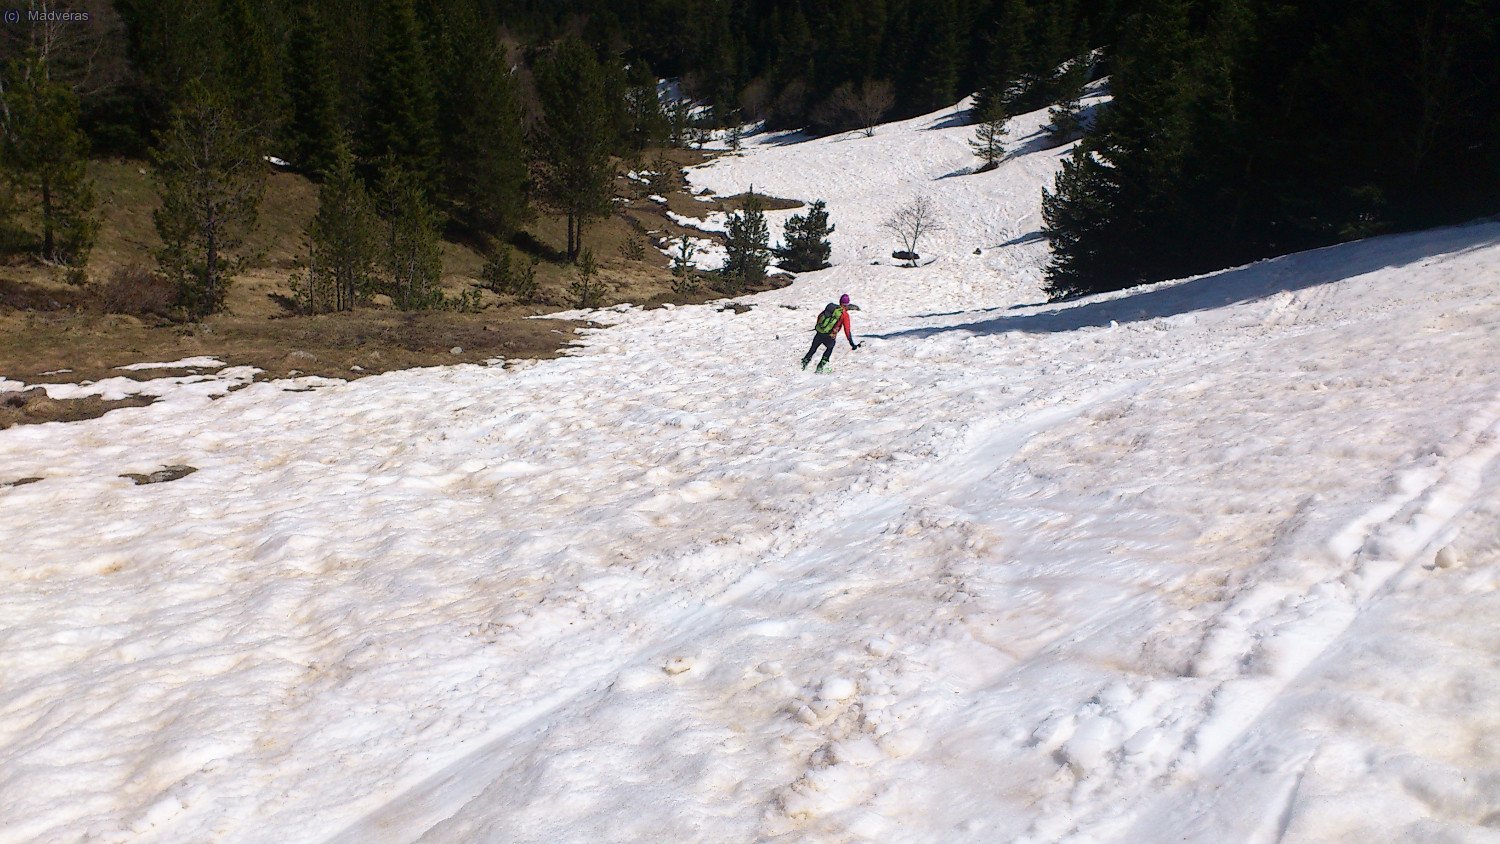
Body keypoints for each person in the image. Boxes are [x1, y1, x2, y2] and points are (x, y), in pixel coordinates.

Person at [801, 293, 860, 372]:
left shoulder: (831, 308)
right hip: (830, 335)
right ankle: (820, 367)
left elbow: (820, 316)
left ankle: (804, 364)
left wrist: (820, 327)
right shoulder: (844, 315)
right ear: (847, 304)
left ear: (840, 302)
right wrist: (852, 343)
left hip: (820, 332)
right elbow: (847, 330)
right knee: (829, 348)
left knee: (813, 349)